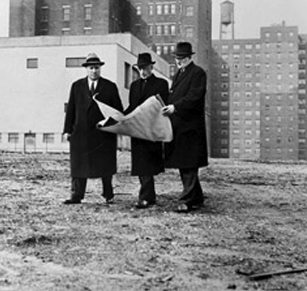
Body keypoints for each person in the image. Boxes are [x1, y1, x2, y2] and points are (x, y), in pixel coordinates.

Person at [63, 52, 123, 204]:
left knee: (105, 164)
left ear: (100, 69)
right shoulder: (76, 86)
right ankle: (77, 195)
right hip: (81, 133)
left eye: (96, 68)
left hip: (103, 134)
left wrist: (112, 126)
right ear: (86, 69)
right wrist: (67, 130)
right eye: (91, 68)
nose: (94, 71)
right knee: (79, 165)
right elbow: (71, 109)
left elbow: (118, 111)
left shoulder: (110, 87)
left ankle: (108, 194)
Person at [161, 42, 208, 213]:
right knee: (185, 164)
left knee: (189, 164)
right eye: (176, 58)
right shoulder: (180, 74)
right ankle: (197, 197)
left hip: (191, 128)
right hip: (181, 126)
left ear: (189, 58)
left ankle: (187, 200)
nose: (178, 61)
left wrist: (175, 107)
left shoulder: (198, 73)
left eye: (181, 58)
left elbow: (195, 97)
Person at [124, 53, 169, 209]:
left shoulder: (161, 84)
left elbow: (162, 106)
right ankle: (149, 196)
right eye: (140, 68)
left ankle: (146, 197)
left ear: (152, 67)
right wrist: (121, 117)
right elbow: (131, 107)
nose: (143, 71)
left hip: (151, 130)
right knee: (141, 165)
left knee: (147, 165)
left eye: (146, 68)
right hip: (137, 130)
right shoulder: (134, 86)